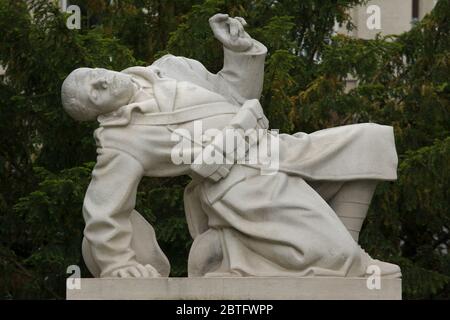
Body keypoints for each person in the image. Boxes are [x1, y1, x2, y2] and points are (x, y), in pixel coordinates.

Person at [61, 14, 401, 278]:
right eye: (95, 92)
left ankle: (347, 249)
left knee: (370, 142)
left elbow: (236, 94)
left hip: (272, 145)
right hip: (239, 184)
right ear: (98, 112)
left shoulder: (170, 68)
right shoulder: (120, 140)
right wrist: (118, 263)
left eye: (93, 73)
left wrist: (239, 51)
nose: (103, 80)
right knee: (333, 256)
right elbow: (104, 208)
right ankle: (349, 259)